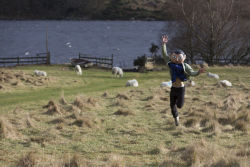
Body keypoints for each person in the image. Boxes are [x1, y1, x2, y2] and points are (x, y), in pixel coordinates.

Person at [161, 35, 206, 126]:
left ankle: (177, 113)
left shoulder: (185, 66)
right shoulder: (170, 64)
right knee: (172, 105)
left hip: (181, 88)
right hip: (173, 87)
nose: (177, 59)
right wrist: (164, 44)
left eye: (179, 58)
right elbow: (164, 54)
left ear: (184, 57)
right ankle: (176, 119)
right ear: (171, 57)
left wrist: (198, 72)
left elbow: (192, 73)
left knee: (179, 106)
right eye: (175, 57)